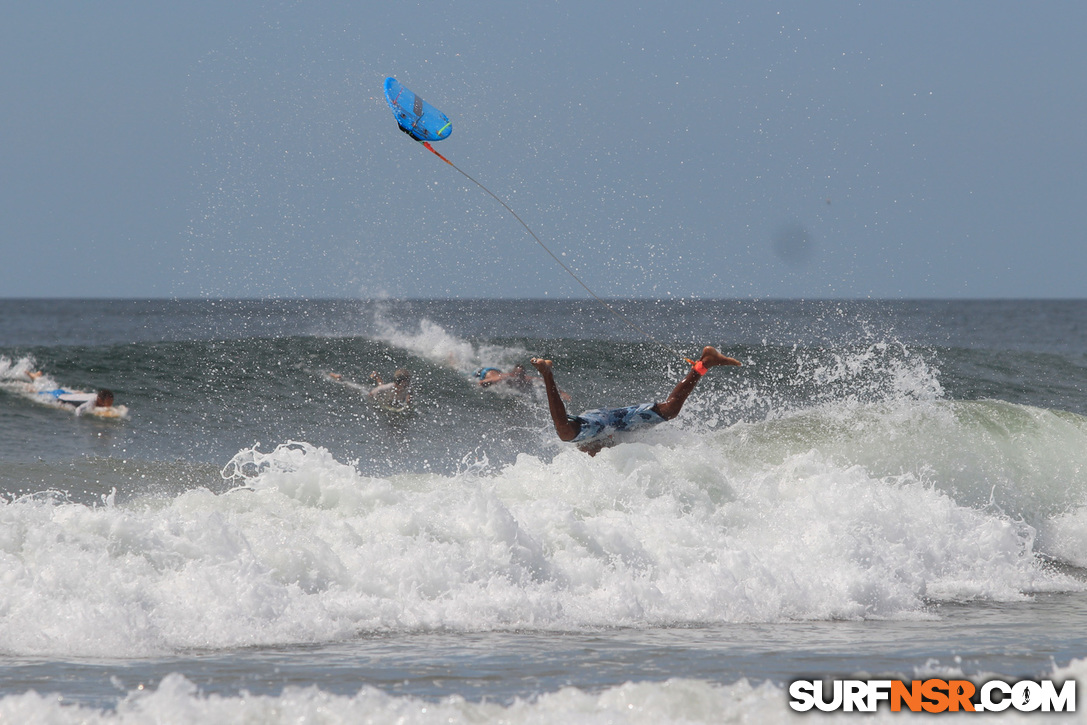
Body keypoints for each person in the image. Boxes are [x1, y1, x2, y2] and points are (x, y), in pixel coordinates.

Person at [531, 346, 742, 455]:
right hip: (614, 424)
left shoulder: (585, 444)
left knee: (565, 433)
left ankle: (547, 373)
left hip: (597, 423)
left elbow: (571, 434)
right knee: (669, 410)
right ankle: (705, 362)